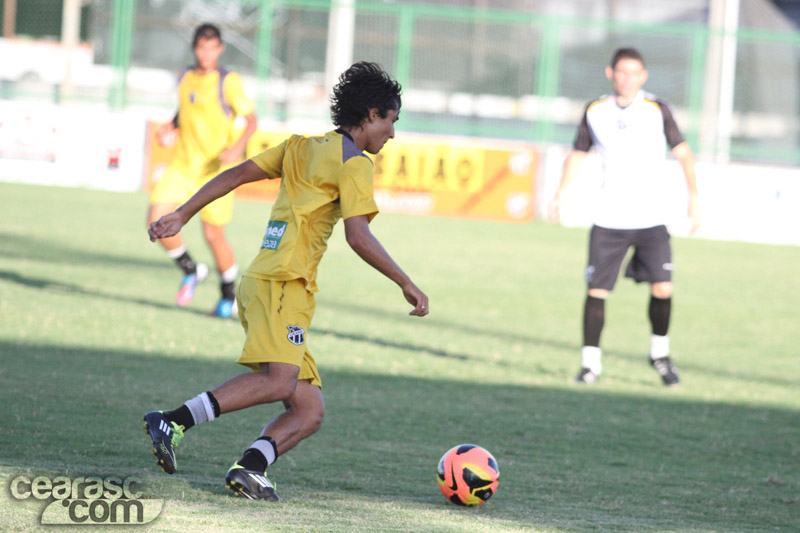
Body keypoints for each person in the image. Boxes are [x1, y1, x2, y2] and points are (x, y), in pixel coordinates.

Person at [143, 62, 429, 501]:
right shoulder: (356, 163)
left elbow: (236, 174)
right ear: (372, 114)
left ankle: (250, 468)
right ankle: (175, 420)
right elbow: (358, 235)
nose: (392, 133)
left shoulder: (301, 146)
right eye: (391, 121)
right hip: (283, 283)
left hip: (269, 281)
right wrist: (405, 282)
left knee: (309, 408)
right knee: (279, 382)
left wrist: (183, 213)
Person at [548, 47, 700, 386]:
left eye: (634, 73)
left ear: (643, 76)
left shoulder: (657, 109)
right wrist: (559, 194)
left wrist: (695, 199)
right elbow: (577, 153)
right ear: (610, 73)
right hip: (608, 219)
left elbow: (684, 153)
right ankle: (590, 365)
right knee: (597, 292)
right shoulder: (595, 110)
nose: (628, 78)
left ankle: (659, 354)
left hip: (651, 218)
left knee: (663, 288)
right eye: (622, 72)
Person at [148, 23, 257, 317]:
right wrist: (170, 126)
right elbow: (185, 111)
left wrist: (236, 149)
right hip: (182, 166)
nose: (207, 54)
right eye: (201, 47)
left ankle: (228, 295)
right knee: (156, 222)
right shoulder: (184, 76)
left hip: (216, 173)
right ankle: (192, 269)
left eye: (212, 48)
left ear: (220, 49)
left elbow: (252, 120)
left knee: (213, 236)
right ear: (194, 48)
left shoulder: (228, 81)